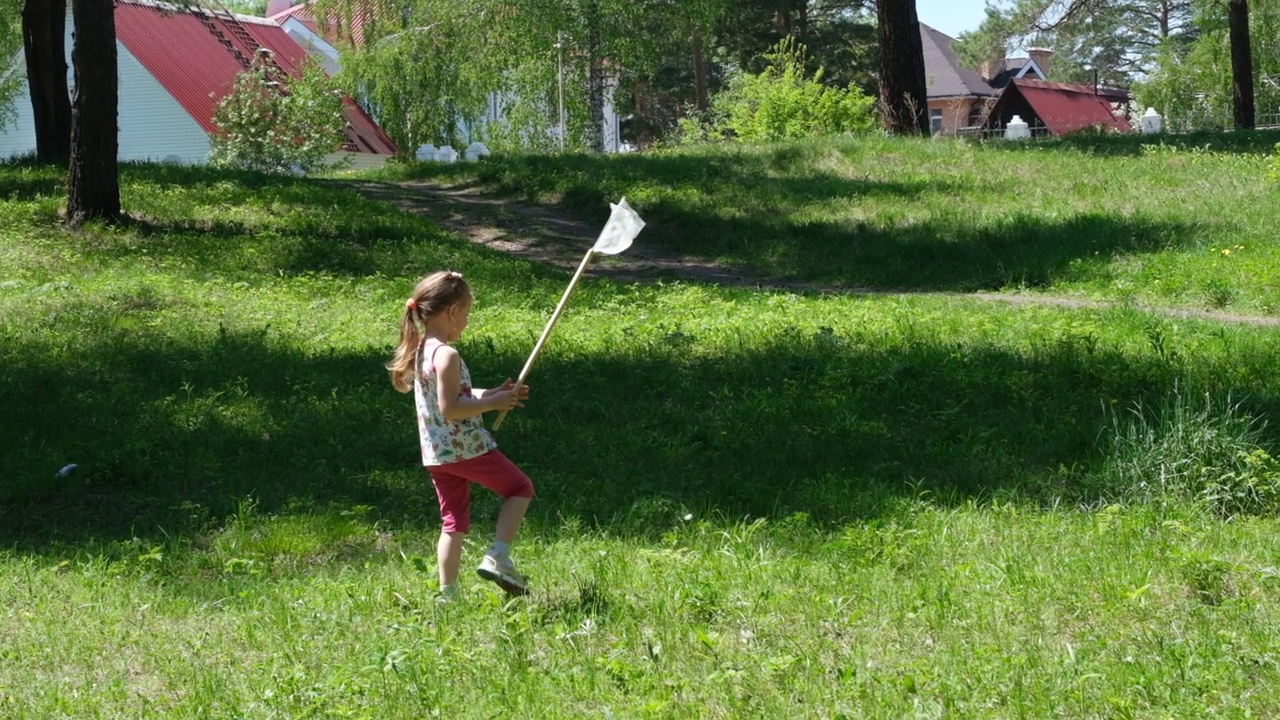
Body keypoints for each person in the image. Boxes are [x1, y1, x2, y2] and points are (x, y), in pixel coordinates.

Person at [387, 270, 533, 600]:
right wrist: (496, 403)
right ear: (452, 311)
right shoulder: (448, 354)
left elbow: (455, 394)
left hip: (437, 454)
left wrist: (491, 393)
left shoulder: (423, 349)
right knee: (520, 487)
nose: (466, 321)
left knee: (453, 522)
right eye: (466, 314)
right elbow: (451, 408)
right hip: (464, 447)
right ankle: (498, 556)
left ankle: (447, 593)